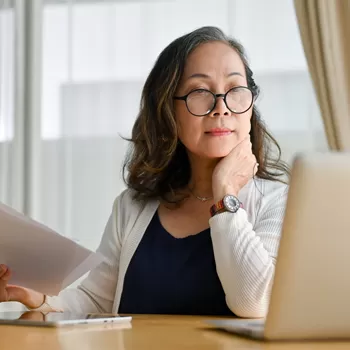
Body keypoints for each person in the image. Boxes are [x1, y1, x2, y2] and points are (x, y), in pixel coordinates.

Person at [0, 26, 289, 318]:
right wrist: (39, 298)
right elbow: (95, 303)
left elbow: (254, 303)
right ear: (168, 110)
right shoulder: (132, 206)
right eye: (200, 91)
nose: (221, 108)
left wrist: (225, 194)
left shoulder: (279, 202)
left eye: (235, 90)